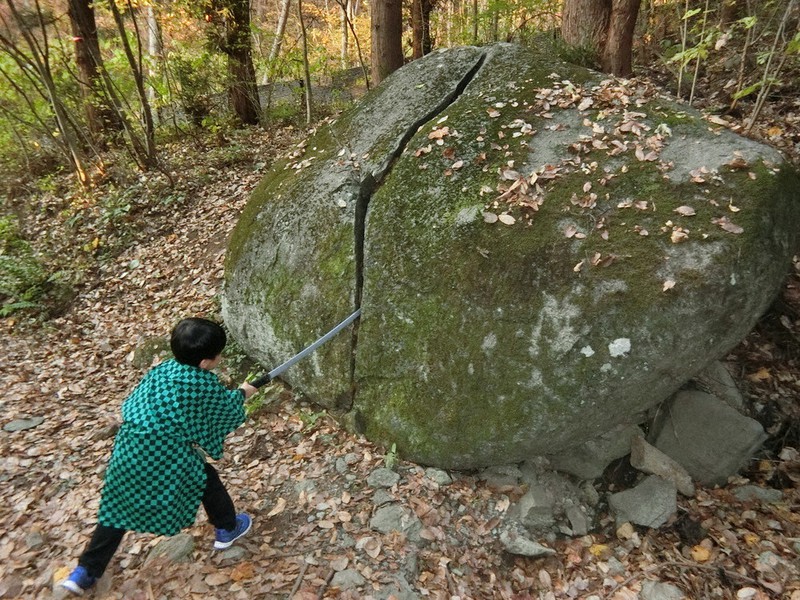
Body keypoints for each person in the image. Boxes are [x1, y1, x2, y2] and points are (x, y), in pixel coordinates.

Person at [59, 317, 260, 596]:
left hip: (130, 448)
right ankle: (227, 528)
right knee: (204, 478)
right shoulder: (202, 383)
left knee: (117, 510)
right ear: (205, 362)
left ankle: (85, 572)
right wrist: (243, 393)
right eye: (218, 355)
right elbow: (225, 409)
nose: (219, 359)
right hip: (164, 453)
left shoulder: (164, 369)